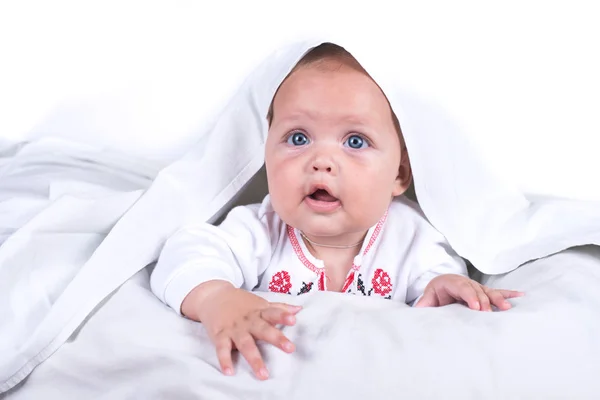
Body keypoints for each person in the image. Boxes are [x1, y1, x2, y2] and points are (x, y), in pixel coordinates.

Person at [151, 43, 524, 381]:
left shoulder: (412, 237)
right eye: (298, 138)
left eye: (355, 141)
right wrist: (217, 297)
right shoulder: (261, 228)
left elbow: (434, 292)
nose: (321, 161)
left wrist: (444, 286)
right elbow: (186, 253)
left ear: (399, 174)